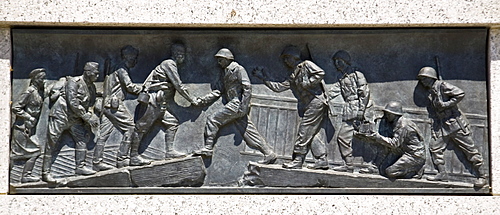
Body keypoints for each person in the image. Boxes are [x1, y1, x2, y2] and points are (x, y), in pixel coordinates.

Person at [193, 48, 277, 164]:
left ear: (227, 59)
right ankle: (269, 153)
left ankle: (208, 148)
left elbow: (247, 88)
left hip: (237, 104)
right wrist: (202, 100)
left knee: (212, 120)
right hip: (234, 104)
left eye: (220, 60)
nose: (219, 62)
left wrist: (243, 106)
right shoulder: (225, 71)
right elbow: (219, 90)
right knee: (249, 132)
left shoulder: (238, 69)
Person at [253, 45, 328, 169]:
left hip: (316, 102)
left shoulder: (306, 65)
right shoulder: (293, 74)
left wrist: (308, 83)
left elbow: (320, 73)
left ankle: (298, 160)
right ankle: (321, 159)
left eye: (287, 58)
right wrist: (263, 78)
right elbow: (279, 87)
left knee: (304, 130)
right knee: (311, 132)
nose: (285, 61)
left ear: (294, 57)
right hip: (309, 104)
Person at [417, 66, 487, 188]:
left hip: (455, 125)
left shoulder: (442, 86)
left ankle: (482, 176)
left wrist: (446, 104)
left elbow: (460, 93)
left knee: (470, 150)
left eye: (424, 79)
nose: (422, 82)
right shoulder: (431, 92)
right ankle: (442, 174)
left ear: (431, 78)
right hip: (443, 126)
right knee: (435, 147)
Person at [130, 43, 198, 165]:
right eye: (181, 54)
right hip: (154, 100)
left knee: (172, 122)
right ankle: (133, 156)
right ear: (177, 54)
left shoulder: (170, 64)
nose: (183, 56)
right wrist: (192, 99)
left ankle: (169, 152)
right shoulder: (169, 63)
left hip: (161, 102)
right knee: (141, 127)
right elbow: (178, 85)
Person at [42, 62, 100, 183]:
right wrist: (86, 117)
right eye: (95, 73)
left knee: (82, 139)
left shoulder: (92, 87)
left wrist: (90, 115)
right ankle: (45, 173)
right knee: (51, 142)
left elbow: (90, 104)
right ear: (88, 72)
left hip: (75, 119)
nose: (97, 76)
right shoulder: (74, 82)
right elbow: (72, 101)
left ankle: (80, 167)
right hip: (61, 114)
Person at [92, 45, 143, 171]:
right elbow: (130, 86)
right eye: (134, 58)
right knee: (130, 127)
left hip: (106, 104)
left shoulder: (114, 69)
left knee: (103, 135)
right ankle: (122, 159)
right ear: (129, 57)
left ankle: (97, 162)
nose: (135, 61)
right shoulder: (122, 69)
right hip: (114, 105)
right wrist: (143, 88)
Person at [329, 50, 374, 173]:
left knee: (370, 137)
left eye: (339, 61)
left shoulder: (357, 74)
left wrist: (361, 111)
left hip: (362, 109)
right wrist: (325, 96)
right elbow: (335, 91)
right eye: (335, 62)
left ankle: (373, 166)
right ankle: (348, 164)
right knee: (343, 137)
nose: (337, 64)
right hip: (349, 109)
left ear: (346, 61)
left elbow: (365, 93)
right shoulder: (341, 77)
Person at [358, 101, 425, 179]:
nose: (386, 116)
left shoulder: (403, 126)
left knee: (390, 172)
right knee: (384, 155)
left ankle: (415, 169)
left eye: (389, 114)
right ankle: (375, 167)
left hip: (415, 155)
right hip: (404, 150)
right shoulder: (396, 122)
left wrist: (377, 137)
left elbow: (394, 144)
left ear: (395, 114)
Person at [11, 68, 46, 183]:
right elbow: (16, 107)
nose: (44, 81)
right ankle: (25, 176)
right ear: (35, 80)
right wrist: (28, 117)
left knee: (17, 153)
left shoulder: (39, 92)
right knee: (34, 151)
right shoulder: (29, 92)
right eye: (41, 78)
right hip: (21, 128)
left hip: (28, 128)